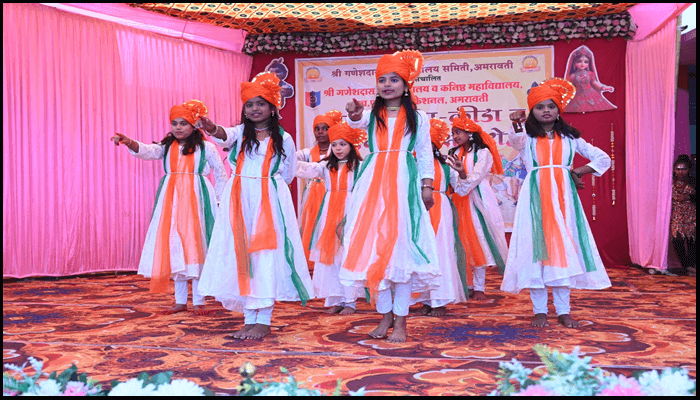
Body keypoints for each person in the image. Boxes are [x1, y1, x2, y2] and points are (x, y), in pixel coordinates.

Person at [196, 72, 314, 340]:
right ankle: (249, 319)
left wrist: (266, 191)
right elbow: (223, 135)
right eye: (249, 104)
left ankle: (264, 320)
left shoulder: (284, 138)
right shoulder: (240, 134)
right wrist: (211, 128)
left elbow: (288, 173)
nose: (255, 109)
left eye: (260, 103)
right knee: (242, 254)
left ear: (272, 108)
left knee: (265, 257)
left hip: (269, 200)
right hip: (239, 200)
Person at [340, 50, 441, 343]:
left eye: (394, 79)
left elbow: (424, 153)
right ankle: (384, 316)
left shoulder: (419, 117)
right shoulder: (372, 116)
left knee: (402, 253)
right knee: (375, 250)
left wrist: (427, 186)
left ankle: (401, 321)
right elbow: (355, 122)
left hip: (403, 185)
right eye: (382, 80)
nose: (387, 85)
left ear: (406, 84)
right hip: (372, 186)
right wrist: (354, 113)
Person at [500, 78, 612, 328]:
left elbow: (602, 158)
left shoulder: (571, 138)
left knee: (563, 252)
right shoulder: (527, 137)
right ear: (532, 111)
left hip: (564, 200)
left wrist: (579, 171)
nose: (546, 111)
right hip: (535, 200)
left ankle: (563, 310)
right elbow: (515, 141)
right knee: (537, 252)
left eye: (551, 106)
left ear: (559, 109)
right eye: (540, 107)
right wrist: (516, 123)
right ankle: (539, 310)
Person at [110, 100, 227, 316]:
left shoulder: (207, 147)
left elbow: (220, 173)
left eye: (183, 123)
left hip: (198, 200)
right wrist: (129, 142)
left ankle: (199, 301)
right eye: (174, 123)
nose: (178, 127)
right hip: (171, 201)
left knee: (197, 245)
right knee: (176, 246)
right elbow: (147, 151)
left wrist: (220, 201)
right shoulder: (166, 147)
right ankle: (180, 301)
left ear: (194, 126)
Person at [296, 122, 367, 315]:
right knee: (331, 257)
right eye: (334, 144)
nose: (338, 149)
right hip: (329, 214)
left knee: (347, 255)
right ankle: (337, 298)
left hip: (350, 212)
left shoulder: (360, 166)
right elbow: (306, 169)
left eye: (343, 144)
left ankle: (351, 301)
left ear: (351, 145)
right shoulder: (326, 166)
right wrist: (284, 159)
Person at [412, 118, 471, 316]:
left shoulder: (446, 164)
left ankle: (440, 300)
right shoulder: (412, 163)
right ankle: (426, 299)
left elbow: (462, 190)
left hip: (441, 207)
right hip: (419, 209)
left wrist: (462, 173)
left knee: (441, 251)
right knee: (423, 251)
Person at [448, 107, 509, 302]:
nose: (455, 137)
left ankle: (480, 287)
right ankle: (467, 286)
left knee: (479, 241)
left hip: (479, 201)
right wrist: (458, 184)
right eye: (453, 133)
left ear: (470, 132)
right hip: (459, 201)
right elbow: (453, 181)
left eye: (459, 132)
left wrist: (462, 178)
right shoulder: (453, 153)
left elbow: (475, 178)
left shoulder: (482, 152)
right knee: (462, 243)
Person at [296, 110, 343, 273]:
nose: (320, 132)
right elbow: (290, 159)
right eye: (317, 128)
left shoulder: (338, 151)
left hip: (331, 194)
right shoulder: (307, 153)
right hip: (311, 196)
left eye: (325, 128)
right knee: (311, 224)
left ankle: (331, 259)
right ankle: (311, 260)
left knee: (329, 225)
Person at [565, 47, 616, 113]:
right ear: (574, 63)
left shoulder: (590, 74)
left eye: (586, 62)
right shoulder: (573, 76)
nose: (582, 64)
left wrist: (603, 87)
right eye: (579, 61)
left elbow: (594, 82)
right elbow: (569, 86)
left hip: (591, 95)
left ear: (589, 64)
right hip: (577, 96)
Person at [669, 154, 696, 275]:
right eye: (678, 169)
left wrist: (688, 197)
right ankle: (685, 266)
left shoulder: (693, 182)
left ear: (688, 169)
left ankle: (691, 266)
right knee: (677, 240)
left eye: (684, 169)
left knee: (691, 241)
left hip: (691, 215)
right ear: (674, 169)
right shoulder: (669, 181)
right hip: (677, 215)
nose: (681, 172)